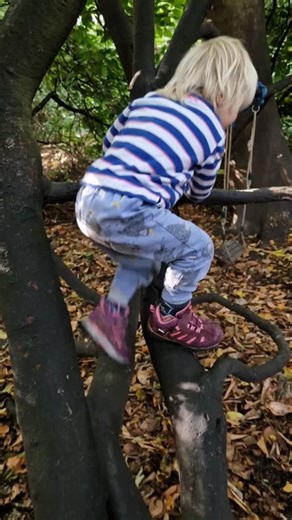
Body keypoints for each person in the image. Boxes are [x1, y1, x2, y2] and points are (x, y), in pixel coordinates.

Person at [75, 36, 258, 364]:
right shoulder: (212, 130)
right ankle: (172, 317)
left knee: (143, 257)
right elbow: (200, 190)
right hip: (127, 210)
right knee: (200, 247)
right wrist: (181, 185)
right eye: (235, 108)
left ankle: (111, 314)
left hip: (88, 201)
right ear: (220, 95)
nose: (232, 118)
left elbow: (110, 142)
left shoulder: (146, 103)